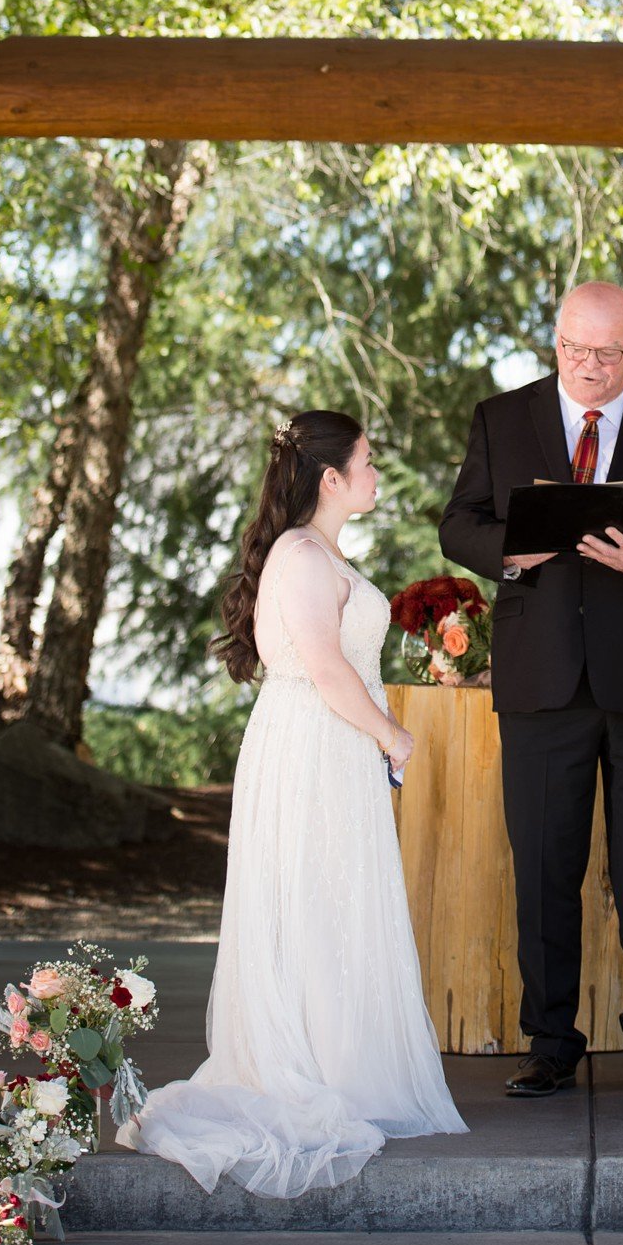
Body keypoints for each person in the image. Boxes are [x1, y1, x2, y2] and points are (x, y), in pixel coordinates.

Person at [120, 410, 466, 1197]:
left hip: (327, 745)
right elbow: (325, 667)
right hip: (315, 742)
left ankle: (342, 1062)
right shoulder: (303, 554)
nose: (377, 472)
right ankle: (312, 1070)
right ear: (331, 478)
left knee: (333, 904)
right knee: (314, 900)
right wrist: (393, 736)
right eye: (368, 460)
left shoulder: (318, 551)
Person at [440, 281, 623, 1102]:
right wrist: (510, 552)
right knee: (543, 869)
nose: (593, 367)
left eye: (609, 353)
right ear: (554, 341)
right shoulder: (502, 418)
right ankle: (551, 1042)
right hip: (541, 681)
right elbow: (456, 520)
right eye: (577, 350)